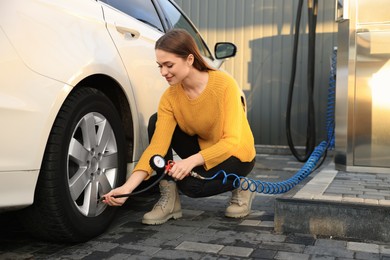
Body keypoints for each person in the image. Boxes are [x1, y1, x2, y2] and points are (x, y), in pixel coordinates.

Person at [103, 28, 256, 225]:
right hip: (205, 149)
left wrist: (189, 162)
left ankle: (242, 185)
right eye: (160, 66)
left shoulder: (225, 85)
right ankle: (170, 200)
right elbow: (157, 148)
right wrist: (127, 188)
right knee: (156, 121)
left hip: (236, 155)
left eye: (169, 65)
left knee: (192, 187)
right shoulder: (170, 97)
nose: (163, 72)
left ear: (190, 59)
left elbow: (232, 141)